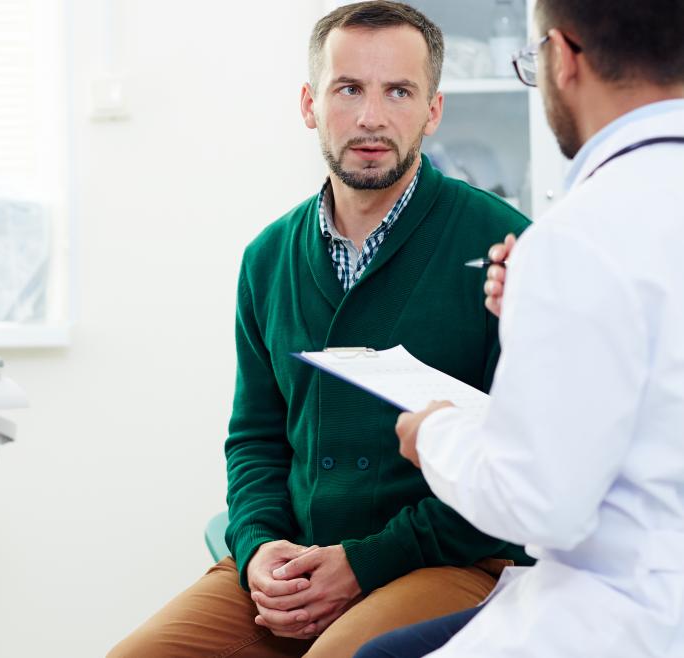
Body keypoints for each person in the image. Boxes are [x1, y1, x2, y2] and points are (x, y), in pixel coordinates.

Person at [108, 2, 532, 657]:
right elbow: (254, 441)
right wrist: (256, 555)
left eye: (398, 91)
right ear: (310, 105)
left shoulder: (504, 246)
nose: (371, 117)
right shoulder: (268, 258)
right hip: (297, 565)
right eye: (348, 89)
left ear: (433, 110)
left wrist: (362, 564)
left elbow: (521, 466)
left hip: (447, 560)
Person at [376, 0, 684, 656]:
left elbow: (538, 503)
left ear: (564, 57)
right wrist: (540, 313)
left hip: (637, 615)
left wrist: (433, 431)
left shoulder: (578, 234)